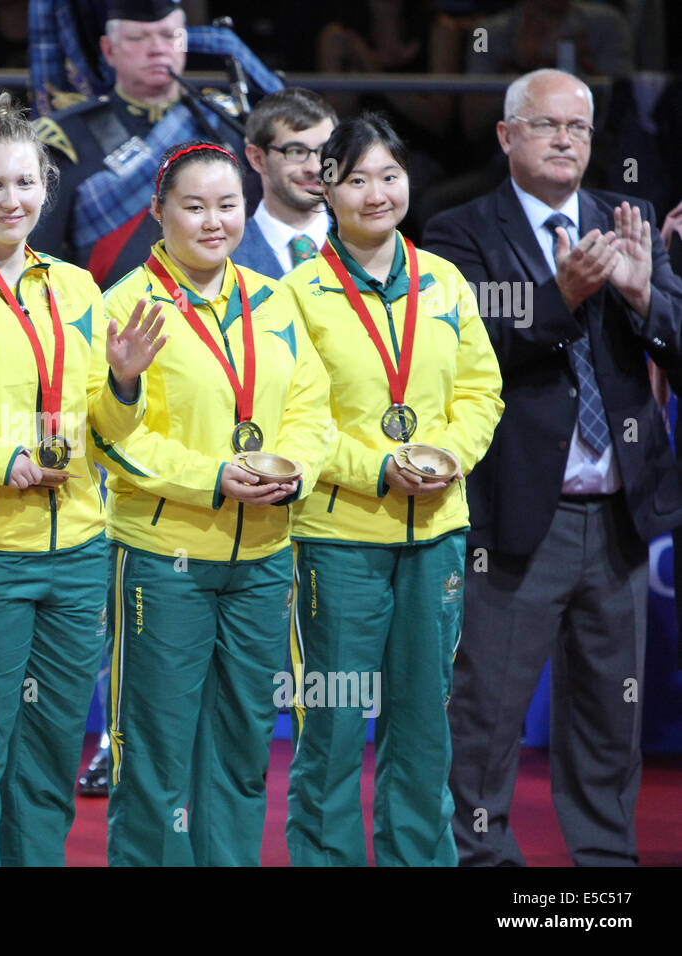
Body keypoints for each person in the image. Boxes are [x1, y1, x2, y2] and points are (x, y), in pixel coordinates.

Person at [422, 68, 682, 866]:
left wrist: (644, 301)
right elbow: (455, 360)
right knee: (488, 718)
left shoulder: (623, 220)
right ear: (507, 137)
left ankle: (606, 872)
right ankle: (485, 861)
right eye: (546, 125)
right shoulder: (457, 231)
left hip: (619, 517)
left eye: (579, 127)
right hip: (512, 514)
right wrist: (554, 298)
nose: (566, 139)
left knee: (609, 718)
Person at [0, 87, 165, 866]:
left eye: (25, 183)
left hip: (79, 552)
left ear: (47, 189)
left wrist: (122, 385)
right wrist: (0, 460)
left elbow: (109, 428)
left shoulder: (78, 288)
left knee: (51, 755)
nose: (11, 199)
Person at [100, 140, 332, 866]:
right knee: (155, 745)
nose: (212, 222)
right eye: (193, 207)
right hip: (164, 558)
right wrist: (211, 478)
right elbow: (113, 437)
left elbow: (313, 407)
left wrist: (295, 466)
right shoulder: (123, 306)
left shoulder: (274, 299)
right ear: (157, 212)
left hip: (262, 554)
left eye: (227, 206)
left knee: (242, 741)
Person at [281, 114, 503, 866]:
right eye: (357, 178)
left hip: (436, 531)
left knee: (422, 725)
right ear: (325, 187)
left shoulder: (444, 280)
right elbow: (295, 421)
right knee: (337, 726)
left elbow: (481, 392)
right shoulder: (298, 294)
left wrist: (448, 451)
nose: (377, 193)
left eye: (390, 176)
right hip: (339, 539)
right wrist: (377, 467)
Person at [31, 0, 267, 292]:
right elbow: (42, 254)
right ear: (108, 50)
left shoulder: (225, 127)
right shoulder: (68, 136)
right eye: (138, 37)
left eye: (170, 36)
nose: (158, 48)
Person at [238, 87, 337, 279]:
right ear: (257, 159)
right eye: (296, 151)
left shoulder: (365, 248)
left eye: (325, 151)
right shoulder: (223, 257)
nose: (315, 167)